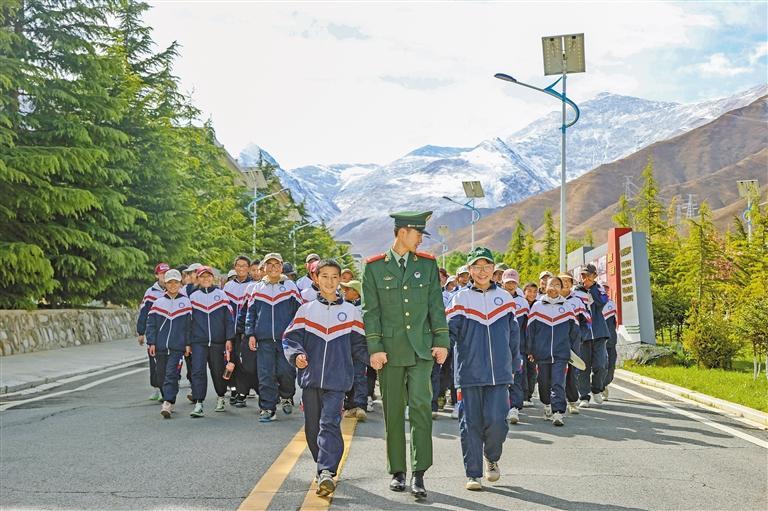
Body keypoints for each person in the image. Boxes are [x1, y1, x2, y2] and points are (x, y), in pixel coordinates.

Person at [361, 210, 449, 499]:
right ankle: (398, 470)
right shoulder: (374, 268)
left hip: (421, 349)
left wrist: (441, 341)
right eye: (418, 233)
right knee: (394, 411)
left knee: (422, 408)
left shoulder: (427, 265)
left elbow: (436, 306)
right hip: (390, 351)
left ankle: (419, 472)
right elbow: (370, 313)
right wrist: (375, 348)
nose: (421, 239)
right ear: (402, 232)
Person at [283, 259, 368, 496]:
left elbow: (360, 346)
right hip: (311, 380)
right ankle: (322, 464)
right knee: (312, 428)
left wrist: (376, 359)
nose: (330, 282)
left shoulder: (351, 312)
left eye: (334, 277)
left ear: (340, 280)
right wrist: (297, 355)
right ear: (316, 279)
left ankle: (326, 471)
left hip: (338, 380)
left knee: (329, 423)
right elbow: (290, 339)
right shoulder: (306, 310)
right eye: (325, 276)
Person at [447, 248, 518, 491]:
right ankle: (473, 473)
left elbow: (514, 337)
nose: (482, 271)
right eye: (476, 267)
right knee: (470, 424)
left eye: (486, 266)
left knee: (498, 422)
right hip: (469, 373)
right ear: (469, 270)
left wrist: (514, 364)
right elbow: (450, 333)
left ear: (493, 270)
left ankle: (492, 457)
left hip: (499, 373)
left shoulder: (506, 299)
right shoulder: (460, 298)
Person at [245, 252, 303, 422]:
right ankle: (267, 408)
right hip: (264, 340)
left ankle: (286, 396)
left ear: (281, 266)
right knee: (265, 374)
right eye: (269, 264)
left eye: (276, 264)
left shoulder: (290, 286)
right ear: (264, 267)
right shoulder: (257, 288)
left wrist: (297, 334)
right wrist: (250, 334)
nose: (273, 267)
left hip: (286, 339)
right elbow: (251, 313)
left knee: (286, 371)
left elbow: (299, 312)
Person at [525, 277, 579, 426]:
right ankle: (547, 404)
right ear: (545, 287)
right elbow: (530, 330)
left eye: (557, 285)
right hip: (541, 353)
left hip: (561, 353)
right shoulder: (537, 306)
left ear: (561, 288)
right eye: (551, 285)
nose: (554, 288)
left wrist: (573, 351)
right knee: (543, 382)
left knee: (558, 382)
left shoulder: (567, 306)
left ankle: (558, 412)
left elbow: (574, 331)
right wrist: (530, 350)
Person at [145, 269, 193, 419]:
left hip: (177, 347)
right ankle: (167, 396)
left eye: (176, 282)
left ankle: (168, 402)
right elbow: (151, 324)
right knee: (161, 376)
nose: (173, 285)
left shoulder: (186, 302)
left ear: (180, 284)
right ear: (165, 284)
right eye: (170, 282)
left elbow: (189, 326)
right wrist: (151, 342)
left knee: (172, 374)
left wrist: (187, 343)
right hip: (160, 347)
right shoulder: (158, 303)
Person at [188, 266, 235, 416]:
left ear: (212, 278)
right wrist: (188, 342)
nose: (206, 279)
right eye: (202, 276)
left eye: (208, 276)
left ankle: (221, 397)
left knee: (218, 371)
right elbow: (188, 322)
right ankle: (198, 403)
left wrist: (229, 338)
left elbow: (229, 319)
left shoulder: (221, 295)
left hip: (218, 342)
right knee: (197, 371)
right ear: (198, 279)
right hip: (198, 342)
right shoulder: (193, 297)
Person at [575, 264, 610, 407]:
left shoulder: (599, 289)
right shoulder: (576, 291)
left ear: (595, 276)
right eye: (583, 275)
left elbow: (602, 302)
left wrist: (592, 288)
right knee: (583, 366)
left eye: (589, 275)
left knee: (601, 365)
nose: (586, 278)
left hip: (600, 332)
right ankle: (584, 396)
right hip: (583, 334)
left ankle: (597, 389)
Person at [137, 262, 169, 401]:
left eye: (167, 273)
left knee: (170, 362)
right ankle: (157, 388)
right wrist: (141, 332)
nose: (165, 276)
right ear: (157, 275)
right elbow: (144, 312)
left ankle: (167, 388)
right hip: (155, 332)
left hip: (170, 332)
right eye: (162, 274)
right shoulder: (150, 292)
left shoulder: (175, 289)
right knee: (155, 361)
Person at [559, 273, 591, 414]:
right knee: (554, 371)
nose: (565, 283)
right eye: (562, 281)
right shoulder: (548, 300)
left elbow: (587, 321)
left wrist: (580, 337)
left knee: (572, 371)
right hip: (554, 342)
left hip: (573, 342)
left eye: (568, 281)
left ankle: (572, 402)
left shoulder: (577, 301)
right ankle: (554, 403)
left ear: (572, 284)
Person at [224, 255, 254, 407]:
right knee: (230, 361)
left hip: (245, 331)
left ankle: (243, 392)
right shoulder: (228, 287)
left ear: (249, 268)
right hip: (230, 330)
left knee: (243, 362)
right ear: (234, 267)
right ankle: (233, 389)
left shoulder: (254, 286)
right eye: (239, 265)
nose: (241, 268)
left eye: (244, 266)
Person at [501, 269, 530, 424]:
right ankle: (501, 407)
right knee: (500, 379)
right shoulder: (496, 297)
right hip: (499, 346)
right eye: (508, 282)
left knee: (516, 377)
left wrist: (527, 348)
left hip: (518, 347)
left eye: (513, 282)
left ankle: (514, 408)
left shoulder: (523, 302)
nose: (510, 285)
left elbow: (527, 328)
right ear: (502, 283)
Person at [340, 280, 368, 420]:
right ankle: (349, 406)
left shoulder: (365, 307)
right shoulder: (342, 306)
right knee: (346, 375)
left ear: (356, 292)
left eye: (348, 289)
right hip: (344, 345)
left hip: (360, 346)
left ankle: (360, 405)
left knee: (358, 375)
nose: (344, 291)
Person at [602, 284, 618, 399]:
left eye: (606, 289)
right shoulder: (592, 305)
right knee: (600, 366)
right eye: (602, 288)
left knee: (611, 367)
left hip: (611, 341)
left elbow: (614, 323)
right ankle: (598, 386)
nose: (605, 290)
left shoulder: (611, 304)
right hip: (597, 341)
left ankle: (603, 385)